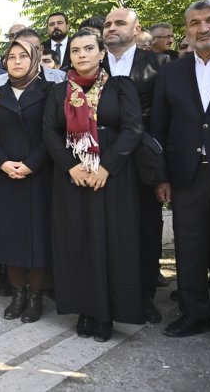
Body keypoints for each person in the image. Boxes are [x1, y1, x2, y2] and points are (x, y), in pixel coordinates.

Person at [43, 29, 144, 342]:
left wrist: (106, 167)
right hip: (71, 177)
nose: (82, 55)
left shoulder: (120, 86)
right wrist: (71, 165)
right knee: (77, 242)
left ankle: (107, 315)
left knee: (111, 242)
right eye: (75, 50)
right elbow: (49, 132)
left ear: (102, 53)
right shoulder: (58, 92)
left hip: (111, 178)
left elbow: (133, 129)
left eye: (89, 49)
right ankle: (84, 309)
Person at [151, 0, 210, 352]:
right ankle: (194, 312)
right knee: (190, 248)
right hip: (187, 176)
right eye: (195, 23)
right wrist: (162, 175)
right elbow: (160, 128)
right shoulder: (172, 71)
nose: (203, 28)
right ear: (187, 31)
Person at [0, 39, 53, 322]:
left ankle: (35, 297)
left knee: (37, 237)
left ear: (34, 58)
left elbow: (54, 132)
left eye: (24, 56)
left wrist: (31, 164)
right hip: (5, 176)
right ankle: (18, 293)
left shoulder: (49, 91)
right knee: (10, 237)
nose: (17, 61)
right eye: (11, 57)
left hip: (39, 175)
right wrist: (3, 163)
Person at [103, 7, 168, 323]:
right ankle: (102, 295)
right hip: (97, 161)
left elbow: (164, 120)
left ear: (137, 29)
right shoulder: (90, 61)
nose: (111, 28)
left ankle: (143, 298)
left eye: (119, 23)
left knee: (145, 230)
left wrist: (162, 172)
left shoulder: (158, 65)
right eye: (107, 24)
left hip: (141, 161)